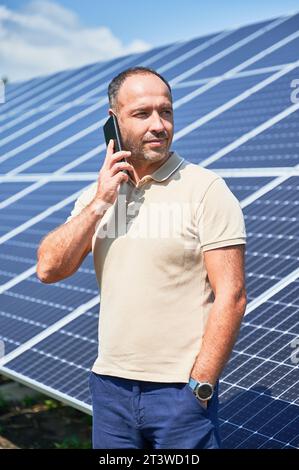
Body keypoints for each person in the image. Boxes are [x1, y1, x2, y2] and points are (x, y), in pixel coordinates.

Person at [36, 66, 247, 449]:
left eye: (165, 111)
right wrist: (101, 201)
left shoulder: (206, 190)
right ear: (113, 123)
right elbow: (49, 268)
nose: (159, 125)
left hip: (180, 393)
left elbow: (231, 295)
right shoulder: (97, 196)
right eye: (142, 113)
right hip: (110, 388)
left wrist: (200, 385)